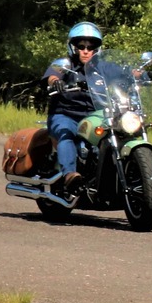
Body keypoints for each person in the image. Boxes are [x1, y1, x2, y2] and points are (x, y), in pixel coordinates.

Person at [44, 22, 113, 188]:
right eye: (81, 46)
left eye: (91, 47)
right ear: (73, 47)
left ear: (97, 49)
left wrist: (144, 75)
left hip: (94, 116)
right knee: (66, 133)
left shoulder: (102, 67)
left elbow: (125, 73)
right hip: (66, 114)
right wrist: (56, 82)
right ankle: (70, 174)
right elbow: (52, 75)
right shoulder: (65, 64)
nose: (86, 50)